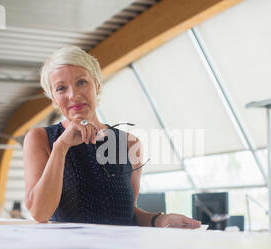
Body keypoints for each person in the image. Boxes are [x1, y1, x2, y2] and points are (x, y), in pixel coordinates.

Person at [23, 45, 201, 229]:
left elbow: (128, 213)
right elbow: (40, 213)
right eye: (61, 88)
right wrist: (61, 147)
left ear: (97, 85)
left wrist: (159, 220)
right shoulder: (41, 138)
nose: (73, 95)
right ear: (53, 97)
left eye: (81, 82)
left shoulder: (129, 143)